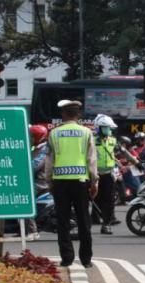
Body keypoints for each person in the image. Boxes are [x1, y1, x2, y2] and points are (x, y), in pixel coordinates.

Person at [45, 99, 98, 268]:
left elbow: (49, 160)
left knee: (63, 222)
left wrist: (49, 182)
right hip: (81, 182)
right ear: (78, 115)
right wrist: (94, 181)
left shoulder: (54, 133)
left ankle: (67, 258)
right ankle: (86, 259)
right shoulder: (86, 133)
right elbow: (92, 159)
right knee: (84, 220)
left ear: (64, 114)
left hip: (60, 183)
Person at [93, 114, 119, 235]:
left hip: (108, 174)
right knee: (94, 198)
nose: (109, 130)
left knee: (109, 200)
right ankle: (93, 218)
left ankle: (106, 224)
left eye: (109, 128)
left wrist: (136, 162)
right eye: (106, 128)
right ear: (99, 128)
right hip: (94, 174)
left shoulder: (112, 140)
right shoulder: (91, 140)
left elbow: (119, 153)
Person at [24, 124, 49, 240]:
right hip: (34, 179)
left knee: (25, 199)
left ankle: (32, 231)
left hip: (41, 182)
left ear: (39, 137)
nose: (30, 138)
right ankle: (22, 230)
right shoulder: (36, 148)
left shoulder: (44, 149)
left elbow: (35, 165)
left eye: (32, 136)